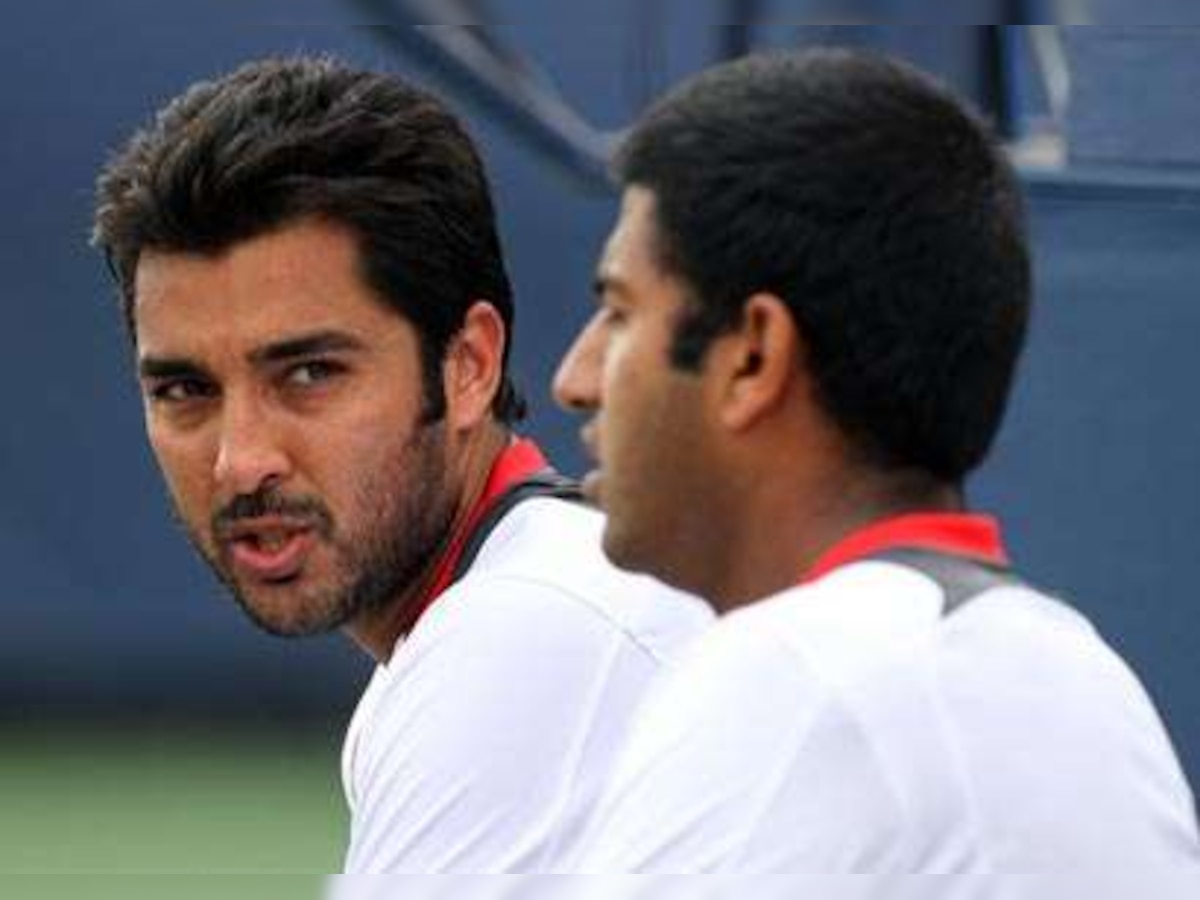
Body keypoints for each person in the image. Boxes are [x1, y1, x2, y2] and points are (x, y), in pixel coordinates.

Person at [553, 49, 1200, 882]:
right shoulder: (1081, 674)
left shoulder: (795, 677)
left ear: (754, 356)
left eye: (618, 311)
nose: (574, 378)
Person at [91, 55, 710, 873]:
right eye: (184, 390)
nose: (241, 462)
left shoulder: (522, 633)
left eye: (309, 373)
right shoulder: (513, 610)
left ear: (469, 366)